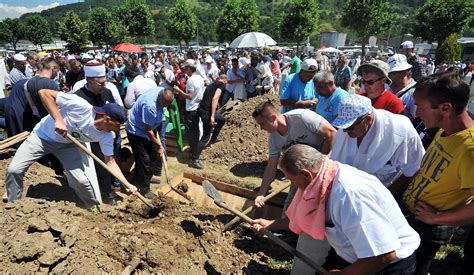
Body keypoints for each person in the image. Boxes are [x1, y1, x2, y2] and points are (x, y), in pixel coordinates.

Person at [252, 144, 420, 274]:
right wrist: (270, 224)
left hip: (385, 265)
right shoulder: (322, 178)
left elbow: (384, 254)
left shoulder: (350, 196)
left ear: (305, 174)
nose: (292, 184)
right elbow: (301, 216)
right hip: (354, 253)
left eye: (291, 179)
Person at [4, 89, 137, 211]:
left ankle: (92, 208)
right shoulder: (81, 106)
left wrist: (127, 184)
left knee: (82, 181)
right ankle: (14, 206)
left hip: (68, 145)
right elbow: (44, 93)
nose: (117, 129)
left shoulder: (106, 136)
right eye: (117, 125)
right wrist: (59, 120)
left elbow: (110, 162)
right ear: (107, 119)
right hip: (42, 137)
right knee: (14, 169)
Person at [402, 72, 474, 275]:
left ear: (445, 108)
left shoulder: (470, 149)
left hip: (429, 228)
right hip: (415, 218)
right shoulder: (444, 130)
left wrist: (436, 217)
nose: (416, 113)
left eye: (421, 107)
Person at [329, 94, 425, 197]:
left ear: (368, 119)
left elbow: (415, 169)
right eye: (344, 127)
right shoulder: (346, 130)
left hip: (383, 193)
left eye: (350, 127)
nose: (345, 131)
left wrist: (388, 195)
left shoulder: (402, 131)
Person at [252, 101, 336, 210]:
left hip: (325, 166)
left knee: (322, 205)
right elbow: (271, 167)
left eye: (262, 124)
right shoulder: (274, 139)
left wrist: (320, 162)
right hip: (301, 175)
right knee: (290, 207)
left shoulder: (302, 117)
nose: (261, 128)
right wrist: (261, 194)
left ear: (273, 117)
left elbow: (332, 133)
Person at [73, 60, 123, 205]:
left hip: (109, 136)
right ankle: (106, 193)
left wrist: (114, 130)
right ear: (89, 80)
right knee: (100, 167)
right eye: (100, 83)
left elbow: (116, 112)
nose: (104, 85)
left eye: (104, 81)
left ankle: (115, 186)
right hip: (90, 139)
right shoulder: (79, 96)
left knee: (114, 161)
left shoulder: (106, 93)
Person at [126, 87, 174, 199]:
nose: (165, 106)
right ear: (160, 97)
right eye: (164, 104)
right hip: (137, 131)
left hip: (150, 127)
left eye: (168, 104)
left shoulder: (162, 90)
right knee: (144, 160)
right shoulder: (150, 106)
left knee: (153, 156)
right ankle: (144, 189)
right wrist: (160, 145)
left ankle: (145, 177)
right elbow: (148, 130)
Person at [173, 59, 205, 169]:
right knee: (194, 133)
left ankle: (194, 158)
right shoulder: (200, 78)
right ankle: (193, 153)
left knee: (192, 135)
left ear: (190, 69)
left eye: (186, 68)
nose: (184, 70)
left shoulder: (191, 80)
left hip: (191, 110)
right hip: (197, 107)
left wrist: (179, 90)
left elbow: (190, 96)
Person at [197, 74, 228, 152]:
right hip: (207, 112)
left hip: (203, 109)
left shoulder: (212, 84)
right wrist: (212, 116)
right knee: (205, 137)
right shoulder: (222, 85)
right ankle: (194, 155)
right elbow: (215, 98)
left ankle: (214, 138)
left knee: (221, 120)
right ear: (225, 80)